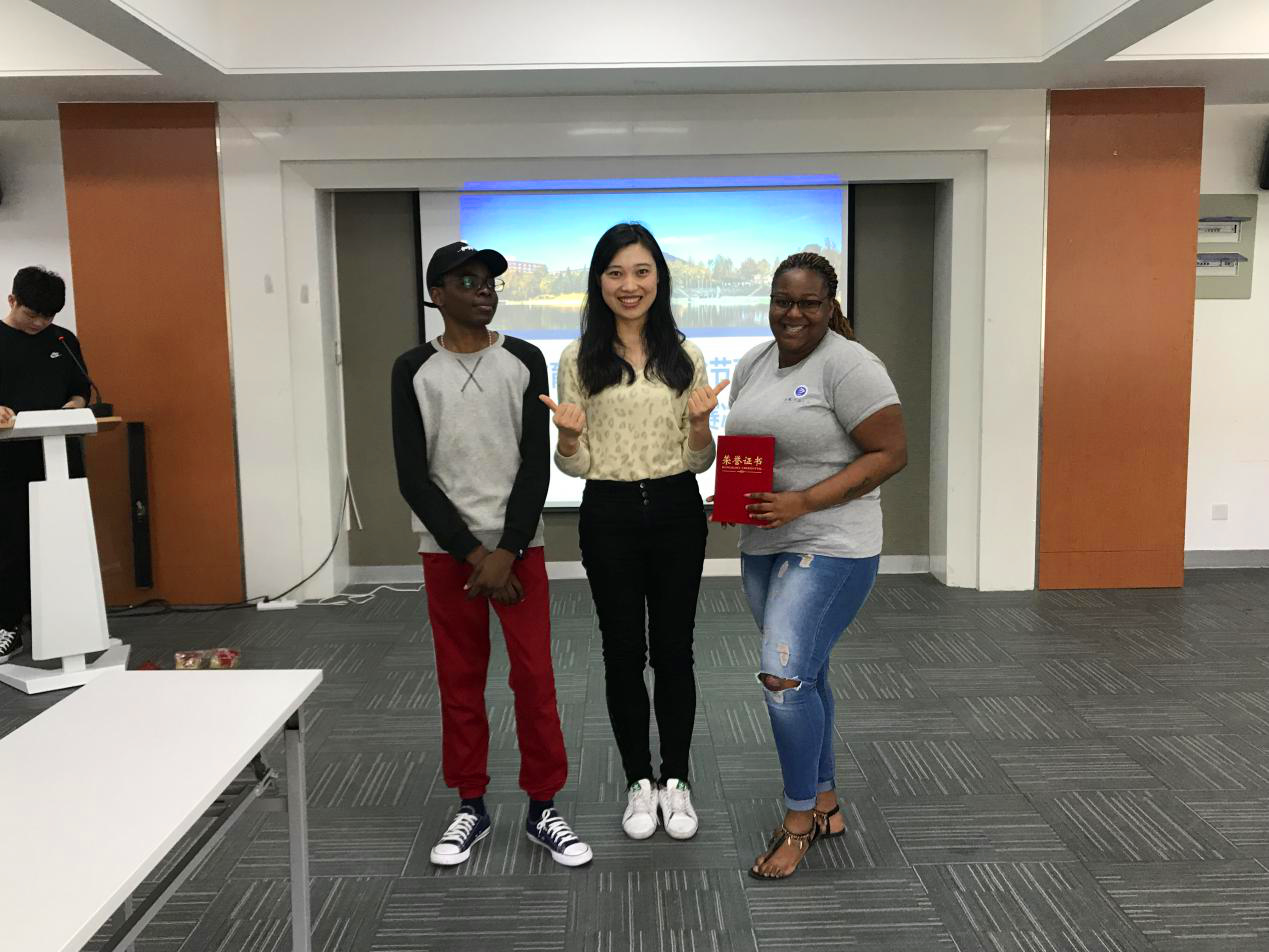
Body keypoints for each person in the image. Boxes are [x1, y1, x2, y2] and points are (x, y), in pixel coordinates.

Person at [391, 241, 591, 868]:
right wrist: (476, 555)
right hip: (449, 552)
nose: (484, 290)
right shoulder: (412, 368)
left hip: (518, 550)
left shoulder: (524, 359)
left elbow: (535, 465)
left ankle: (543, 807)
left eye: (490, 282)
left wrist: (507, 549)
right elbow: (412, 475)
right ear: (436, 295)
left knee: (534, 679)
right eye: (467, 281)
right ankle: (471, 805)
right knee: (460, 680)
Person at [724, 251, 907, 880]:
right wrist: (733, 497)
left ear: (830, 306)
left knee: (782, 679)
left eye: (808, 303)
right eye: (783, 301)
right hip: (764, 543)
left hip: (831, 542)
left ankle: (798, 819)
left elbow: (890, 453)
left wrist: (802, 502)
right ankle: (827, 803)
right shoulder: (754, 362)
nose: (793, 314)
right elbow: (752, 449)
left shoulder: (850, 365)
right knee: (806, 675)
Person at [543, 223, 724, 841]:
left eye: (642, 272)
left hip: (677, 509)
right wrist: (568, 437)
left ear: (659, 279)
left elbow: (699, 460)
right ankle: (638, 783)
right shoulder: (577, 359)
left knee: (674, 650)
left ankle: (677, 781)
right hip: (609, 514)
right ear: (599, 281)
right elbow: (577, 467)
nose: (630, 285)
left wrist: (700, 426)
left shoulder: (686, 357)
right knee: (622, 653)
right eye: (616, 272)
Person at [0, 267, 90, 663]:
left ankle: (64, 622)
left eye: (48, 316)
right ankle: (8, 625)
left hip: (59, 455)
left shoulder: (63, 340)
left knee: (63, 539)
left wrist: (76, 404)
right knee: (11, 543)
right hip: (8, 461)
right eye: (32, 314)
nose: (39, 323)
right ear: (12, 300)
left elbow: (81, 388)